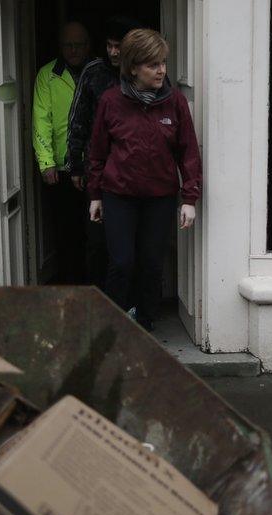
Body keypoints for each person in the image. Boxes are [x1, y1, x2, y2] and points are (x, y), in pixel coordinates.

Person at [87, 29, 201, 331]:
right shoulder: (111, 101)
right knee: (122, 262)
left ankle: (146, 320)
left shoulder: (174, 102)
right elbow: (97, 151)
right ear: (133, 67)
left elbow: (188, 152)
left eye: (162, 62)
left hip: (160, 197)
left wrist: (189, 198)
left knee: (152, 264)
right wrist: (95, 195)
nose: (161, 70)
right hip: (119, 194)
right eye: (153, 64)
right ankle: (114, 322)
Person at [66, 15, 141, 292]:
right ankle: (96, 297)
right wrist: (75, 164)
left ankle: (130, 302)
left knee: (131, 243)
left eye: (118, 46)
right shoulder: (93, 72)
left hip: (133, 172)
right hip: (97, 171)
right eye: (109, 46)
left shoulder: (144, 73)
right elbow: (78, 118)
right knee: (97, 240)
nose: (113, 52)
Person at [33, 21, 90, 283]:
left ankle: (96, 286)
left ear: (87, 45)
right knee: (67, 233)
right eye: (68, 45)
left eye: (78, 44)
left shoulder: (96, 71)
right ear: (60, 46)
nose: (73, 50)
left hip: (95, 168)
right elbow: (41, 120)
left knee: (96, 233)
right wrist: (46, 163)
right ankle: (72, 286)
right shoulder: (48, 74)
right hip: (63, 168)